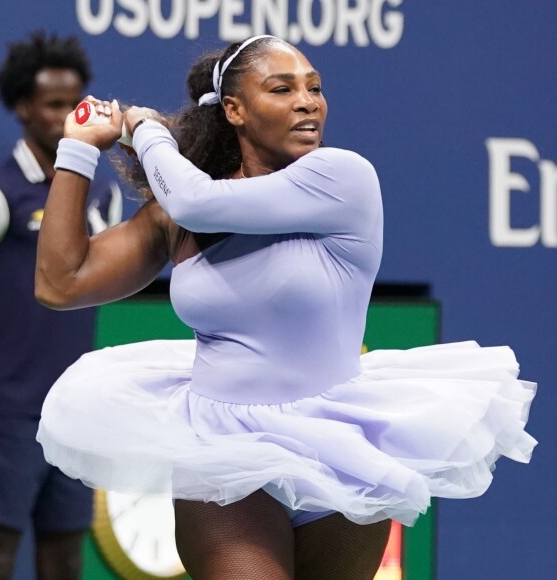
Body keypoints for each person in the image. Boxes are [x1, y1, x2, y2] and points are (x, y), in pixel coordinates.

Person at [34, 35, 537, 580]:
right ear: (235, 110)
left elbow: (196, 201)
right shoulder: (177, 214)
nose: (308, 101)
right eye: (283, 88)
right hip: (222, 453)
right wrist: (79, 149)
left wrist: (146, 128)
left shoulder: (343, 177)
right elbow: (61, 283)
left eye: (315, 87)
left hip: (338, 454)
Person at [0, 32, 122, 579]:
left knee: (64, 554)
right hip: (3, 410)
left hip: (72, 411)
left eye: (75, 103)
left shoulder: (100, 192)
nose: (67, 116)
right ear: (22, 107)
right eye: (54, 105)